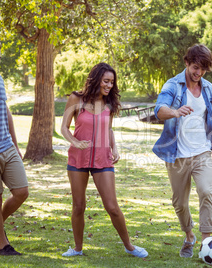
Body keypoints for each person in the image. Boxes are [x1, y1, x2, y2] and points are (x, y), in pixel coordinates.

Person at [152, 44, 212, 258]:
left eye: (203, 69)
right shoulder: (173, 85)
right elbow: (159, 110)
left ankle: (207, 241)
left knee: (206, 191)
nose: (198, 72)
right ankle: (189, 235)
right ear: (187, 63)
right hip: (177, 154)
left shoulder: (209, 88)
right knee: (179, 202)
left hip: (201, 150)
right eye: (195, 67)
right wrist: (175, 111)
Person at [60, 62, 148, 258]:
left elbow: (108, 129)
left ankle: (129, 246)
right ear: (96, 79)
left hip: (103, 159)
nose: (109, 86)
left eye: (112, 83)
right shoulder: (76, 99)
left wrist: (114, 147)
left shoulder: (109, 104)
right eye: (106, 81)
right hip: (77, 159)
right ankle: (77, 248)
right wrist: (76, 142)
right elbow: (64, 128)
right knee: (79, 206)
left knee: (112, 206)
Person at [0, 40, 29, 256]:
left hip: (6, 145)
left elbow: (5, 110)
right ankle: (3, 245)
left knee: (21, 192)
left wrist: (16, 145)